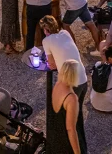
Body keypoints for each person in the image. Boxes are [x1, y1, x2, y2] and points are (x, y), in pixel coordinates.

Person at [40, 17, 87, 149]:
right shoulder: (65, 33)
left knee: (68, 123)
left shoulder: (46, 41)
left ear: (45, 29)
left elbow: (52, 64)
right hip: (83, 80)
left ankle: (70, 149)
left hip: (71, 83)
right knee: (77, 117)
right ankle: (82, 147)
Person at [50, 59, 86, 154]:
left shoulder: (57, 85)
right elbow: (71, 129)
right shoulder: (71, 98)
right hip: (65, 143)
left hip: (54, 137)